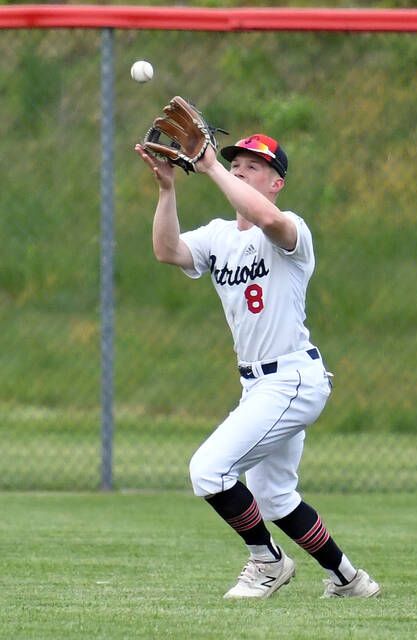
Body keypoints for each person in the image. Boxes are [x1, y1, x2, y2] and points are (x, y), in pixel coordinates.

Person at [135, 133, 380, 600]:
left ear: (276, 183)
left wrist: (211, 167)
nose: (242, 169)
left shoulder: (291, 229)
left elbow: (266, 218)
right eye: (237, 162)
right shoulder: (218, 236)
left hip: (291, 378)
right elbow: (167, 251)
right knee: (274, 499)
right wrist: (167, 191)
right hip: (258, 385)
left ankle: (268, 562)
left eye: (254, 165)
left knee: (208, 471)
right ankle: (350, 580)